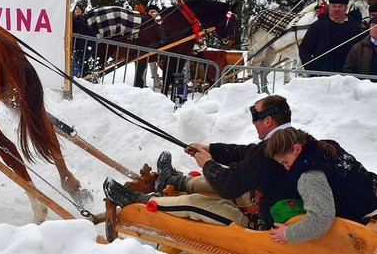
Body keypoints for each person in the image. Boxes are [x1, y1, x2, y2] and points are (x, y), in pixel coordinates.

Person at [105, 95, 300, 228]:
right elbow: (247, 153)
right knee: (218, 181)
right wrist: (211, 150)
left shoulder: (270, 149)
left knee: (195, 202)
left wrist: (207, 163)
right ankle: (173, 181)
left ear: (267, 121)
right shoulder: (292, 138)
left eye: (255, 117)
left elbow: (228, 186)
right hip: (271, 201)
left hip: (262, 222)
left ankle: (138, 201)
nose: (253, 123)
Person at [264, 128, 377, 243]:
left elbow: (321, 218)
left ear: (297, 149)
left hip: (368, 221)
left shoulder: (309, 175)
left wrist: (287, 234)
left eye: (286, 161)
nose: (286, 168)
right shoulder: (326, 148)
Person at [299, 0, 362, 73]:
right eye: (334, 6)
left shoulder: (354, 27)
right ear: (329, 7)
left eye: (340, 6)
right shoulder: (318, 26)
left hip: (347, 75)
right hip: (321, 75)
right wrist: (311, 69)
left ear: (346, 8)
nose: (337, 9)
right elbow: (304, 48)